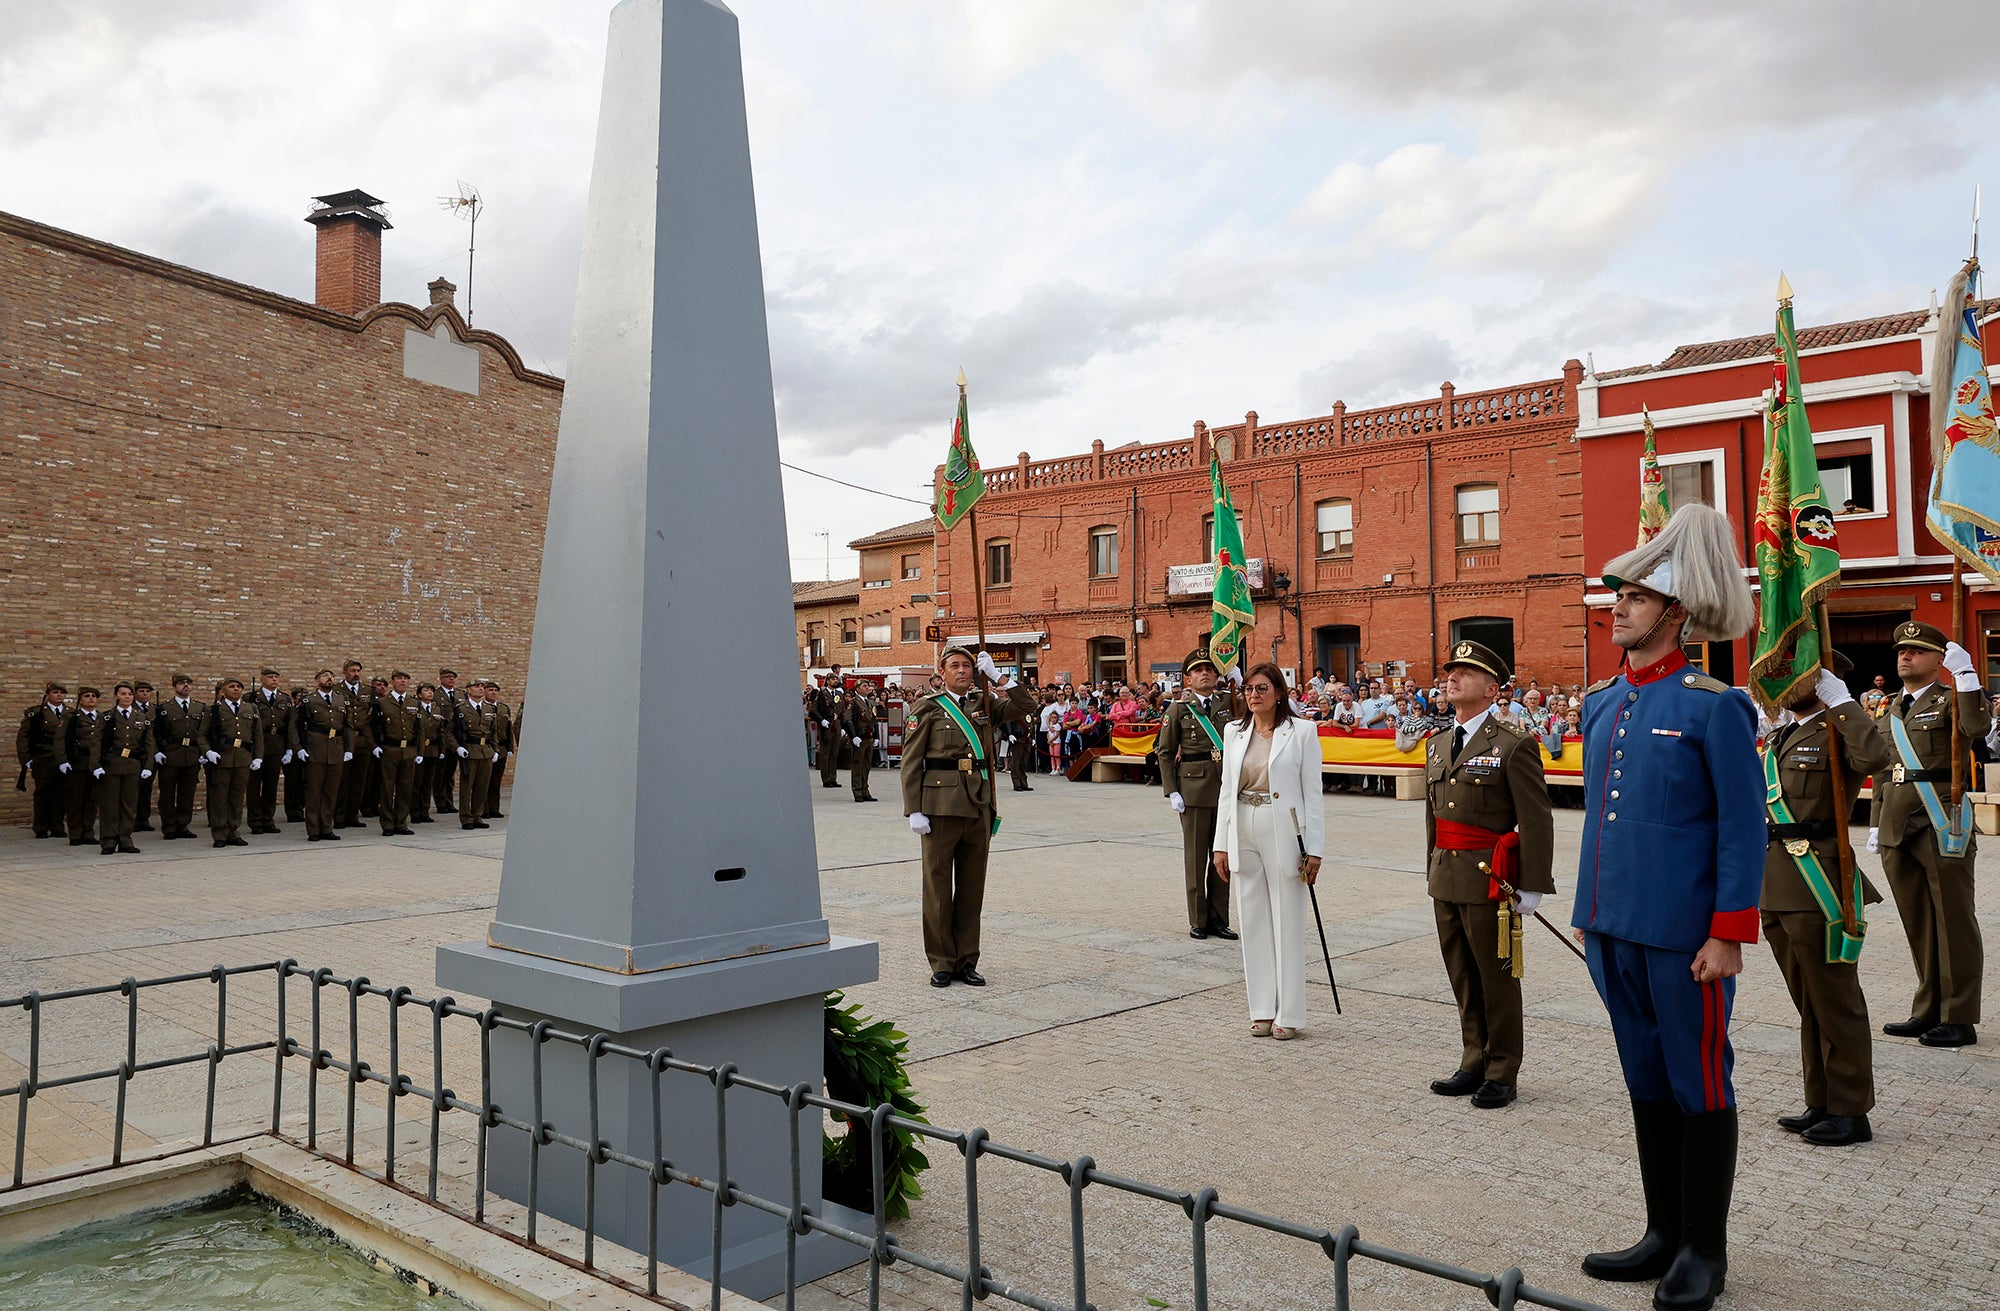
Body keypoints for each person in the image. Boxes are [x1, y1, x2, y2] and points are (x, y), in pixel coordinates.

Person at [1574, 504, 1760, 1311]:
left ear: (1674, 611)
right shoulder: (1600, 703)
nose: (1617, 606)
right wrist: (1590, 910)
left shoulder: (1714, 703)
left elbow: (1742, 828)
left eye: (1635, 596)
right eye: (1616, 595)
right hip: (1615, 932)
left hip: (1686, 940)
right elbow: (1601, 818)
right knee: (1645, 1081)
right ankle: (1661, 1231)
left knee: (1699, 1084)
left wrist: (1728, 933)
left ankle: (1705, 1250)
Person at [1761, 656, 1887, 1147]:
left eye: (1800, 675)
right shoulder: (1780, 736)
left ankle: (1852, 1109)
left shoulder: (1838, 727)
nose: (1785, 683)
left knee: (1836, 999)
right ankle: (1822, 1099)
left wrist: (1845, 703)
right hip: (1776, 880)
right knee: (1809, 1001)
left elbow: (1876, 760)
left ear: (1822, 680)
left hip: (1819, 880)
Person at [1424, 640, 1554, 1109]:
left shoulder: (1513, 744)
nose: (1451, 679)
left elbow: (1536, 818)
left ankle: (1502, 1069)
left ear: (1491, 689)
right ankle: (1473, 1057)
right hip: (1447, 876)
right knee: (1461, 974)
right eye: (1450, 672)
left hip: (1489, 879)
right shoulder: (1437, 744)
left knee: (1496, 976)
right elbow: (1433, 817)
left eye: (1465, 672)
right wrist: (1430, 868)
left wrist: (1532, 884)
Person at [1868, 619, 1989, 1048]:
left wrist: (1968, 677)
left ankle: (1959, 1016)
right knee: (1918, 922)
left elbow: (1976, 730)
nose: (1905, 656)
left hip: (1941, 819)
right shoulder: (1890, 707)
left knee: (1952, 920)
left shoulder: (1952, 696)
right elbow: (1884, 767)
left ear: (1940, 660)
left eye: (1917, 651)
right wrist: (1875, 822)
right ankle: (1929, 1008)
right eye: (1902, 650)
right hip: (1898, 825)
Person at [901, 646, 1036, 987]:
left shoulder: (985, 703)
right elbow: (912, 761)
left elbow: (1026, 706)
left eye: (967, 666)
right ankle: (942, 961)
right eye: (955, 666)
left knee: (972, 888)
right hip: (940, 806)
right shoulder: (927, 707)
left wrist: (1000, 677)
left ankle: (966, 960)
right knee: (938, 887)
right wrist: (914, 809)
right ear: (941, 672)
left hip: (978, 804)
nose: (962, 671)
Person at [1212, 661, 1325, 1040]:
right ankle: (1261, 1007)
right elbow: (1227, 789)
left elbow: (1314, 793)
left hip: (1285, 829)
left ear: (1279, 692)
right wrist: (1220, 844)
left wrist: (1315, 848)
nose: (1254, 695)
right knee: (1253, 919)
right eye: (1248, 689)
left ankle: (1289, 1013)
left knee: (1287, 919)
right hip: (1243, 822)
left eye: (1262, 688)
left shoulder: (1302, 732)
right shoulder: (1233, 732)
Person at [1160, 647, 1238, 942]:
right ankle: (1198, 919)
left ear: (1217, 675)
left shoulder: (1230, 703)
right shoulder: (1179, 709)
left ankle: (1220, 918)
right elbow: (1165, 753)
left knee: (1223, 856)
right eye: (1197, 670)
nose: (1204, 673)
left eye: (1209, 669)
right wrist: (1172, 791)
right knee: (1195, 859)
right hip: (1192, 791)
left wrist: (1239, 682)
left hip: (1226, 790)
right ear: (1188, 678)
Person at [201, 677, 263, 848]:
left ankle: (234, 832)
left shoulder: (250, 708)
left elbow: (257, 735)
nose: (236, 689)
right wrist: (208, 752)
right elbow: (201, 735)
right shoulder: (214, 710)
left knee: (236, 798)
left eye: (238, 687)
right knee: (220, 798)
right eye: (231, 686)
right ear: (222, 691)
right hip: (222, 758)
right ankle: (219, 834)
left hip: (242, 758)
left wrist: (258, 756)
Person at [95, 682, 153, 855]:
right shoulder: (107, 717)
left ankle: (126, 840)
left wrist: (148, 766)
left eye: (129, 694)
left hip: (132, 766)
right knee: (110, 805)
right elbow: (96, 743)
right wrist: (95, 765)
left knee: (129, 805)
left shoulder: (141, 717)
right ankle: (108, 841)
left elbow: (150, 744)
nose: (127, 697)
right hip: (112, 765)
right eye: (123, 694)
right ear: (116, 696)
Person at [292, 669, 349, 842]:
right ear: (317, 680)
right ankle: (313, 830)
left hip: (336, 748)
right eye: (325, 676)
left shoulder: (342, 699)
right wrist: (298, 748)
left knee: (331, 792)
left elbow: (348, 726)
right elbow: (294, 726)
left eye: (331, 676)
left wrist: (349, 749)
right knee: (314, 792)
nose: (329, 678)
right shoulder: (308, 700)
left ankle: (327, 827)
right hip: (315, 748)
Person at [152, 676, 206, 841]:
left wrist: (204, 752)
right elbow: (156, 733)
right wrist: (157, 751)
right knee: (167, 793)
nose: (186, 686)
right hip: (170, 755)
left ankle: (182, 825)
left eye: (189, 683)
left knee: (187, 793)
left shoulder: (200, 708)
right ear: (175, 687)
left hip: (191, 755)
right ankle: (169, 826)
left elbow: (204, 733)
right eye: (182, 684)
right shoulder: (164, 708)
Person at [371, 670, 423, 836]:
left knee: (405, 789)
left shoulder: (414, 702)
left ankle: (401, 823)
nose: (403, 681)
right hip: (389, 750)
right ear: (392, 682)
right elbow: (370, 726)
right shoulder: (382, 702)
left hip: (408, 751)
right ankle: (387, 824)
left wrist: (419, 751)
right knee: (387, 789)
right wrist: (374, 746)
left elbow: (419, 729)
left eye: (406, 679)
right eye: (399, 678)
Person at [15, 683, 70, 839]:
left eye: (62, 693)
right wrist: (26, 759)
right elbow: (23, 737)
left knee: (61, 794)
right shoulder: (36, 713)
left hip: (63, 760)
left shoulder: (70, 713)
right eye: (55, 692)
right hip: (43, 758)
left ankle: (57, 826)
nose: (59, 695)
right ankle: (41, 827)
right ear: (48, 695)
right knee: (43, 794)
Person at [247, 669, 292, 835]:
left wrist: (288, 748)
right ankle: (255, 821)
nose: (274, 679)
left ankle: (268, 819)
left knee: (270, 786)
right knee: (253, 786)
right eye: (270, 677)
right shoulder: (251, 698)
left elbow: (289, 725)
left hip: (276, 745)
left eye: (276, 677)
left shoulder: (284, 699)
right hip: (256, 746)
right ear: (261, 679)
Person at [63, 686, 104, 847]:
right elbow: (61, 740)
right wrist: (62, 760)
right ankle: (75, 834)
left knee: (91, 800)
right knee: (75, 799)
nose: (91, 698)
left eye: (94, 696)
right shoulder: (72, 717)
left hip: (94, 764)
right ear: (80, 700)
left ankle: (88, 832)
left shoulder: (101, 717)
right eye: (87, 696)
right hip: (78, 762)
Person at [453, 687, 499, 830]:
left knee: (482, 785)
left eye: (481, 687)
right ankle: (466, 817)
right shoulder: (460, 709)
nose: (480, 689)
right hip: (469, 749)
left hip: (486, 751)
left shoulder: (489, 708)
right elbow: (450, 732)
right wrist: (457, 747)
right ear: (468, 690)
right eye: (476, 687)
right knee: (467, 786)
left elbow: (493, 731)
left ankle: (477, 815)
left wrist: (495, 750)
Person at [334, 660, 372, 829]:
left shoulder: (367, 691)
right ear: (344, 672)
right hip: (344, 741)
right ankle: (339, 816)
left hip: (362, 741)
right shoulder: (337, 690)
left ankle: (353, 815)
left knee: (358, 780)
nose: (356, 673)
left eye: (358, 671)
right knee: (343, 780)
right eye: (352, 671)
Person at [433, 668, 466, 813]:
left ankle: (449, 802)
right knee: (440, 772)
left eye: (453, 677)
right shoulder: (435, 694)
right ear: (441, 679)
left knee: (450, 772)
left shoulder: (461, 694)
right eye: (447, 677)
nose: (451, 679)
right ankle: (441, 802)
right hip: (441, 736)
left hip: (455, 739)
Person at [481, 680, 516, 818]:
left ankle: (494, 808)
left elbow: (508, 729)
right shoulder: (481, 707)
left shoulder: (503, 708)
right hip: (487, 747)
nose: (493, 693)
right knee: (485, 780)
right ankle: (484, 809)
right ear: (484, 692)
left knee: (496, 781)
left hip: (501, 748)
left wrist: (510, 747)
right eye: (490, 690)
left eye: (496, 690)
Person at [411, 682, 442, 824]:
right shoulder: (415, 708)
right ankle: (414, 812)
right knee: (416, 782)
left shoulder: (436, 709)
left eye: (431, 690)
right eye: (426, 690)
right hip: (419, 750)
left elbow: (441, 730)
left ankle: (424, 811)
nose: (429, 693)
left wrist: (442, 749)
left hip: (433, 749)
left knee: (427, 782)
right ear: (419, 694)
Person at [810, 668, 846, 789]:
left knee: (834, 753)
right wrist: (821, 720)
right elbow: (813, 710)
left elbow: (842, 711)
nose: (835, 681)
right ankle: (826, 779)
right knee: (826, 753)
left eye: (836, 679)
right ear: (827, 681)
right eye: (833, 679)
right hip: (826, 725)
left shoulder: (840, 694)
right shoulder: (822, 693)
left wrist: (843, 726)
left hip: (836, 724)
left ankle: (833, 777)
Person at [845, 683, 880, 802]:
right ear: (858, 689)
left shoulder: (871, 702)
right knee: (857, 765)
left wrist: (876, 736)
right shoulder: (853, 702)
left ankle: (865, 790)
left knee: (866, 766)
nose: (868, 688)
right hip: (859, 737)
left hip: (868, 737)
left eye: (868, 686)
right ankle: (857, 791)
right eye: (865, 686)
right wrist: (853, 736)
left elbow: (874, 721)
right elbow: (848, 720)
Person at [131, 680, 158, 832]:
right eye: (141, 691)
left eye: (147, 691)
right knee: (133, 787)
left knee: (146, 787)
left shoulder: (155, 709)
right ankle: (132, 818)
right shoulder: (131, 709)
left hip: (150, 753)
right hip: (135, 752)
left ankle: (143, 818)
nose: (145, 694)